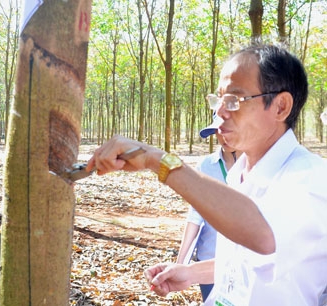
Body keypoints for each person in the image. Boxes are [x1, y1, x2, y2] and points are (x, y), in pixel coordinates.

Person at [86, 44, 327, 305]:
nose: (220, 112)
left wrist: (158, 161)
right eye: (218, 99)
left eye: (234, 100)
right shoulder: (239, 173)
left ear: (281, 106)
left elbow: (263, 237)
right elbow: (252, 259)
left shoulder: (311, 178)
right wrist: (191, 272)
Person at [176, 114, 241, 301]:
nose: (224, 137)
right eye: (218, 131)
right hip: (209, 259)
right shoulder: (207, 165)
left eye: (229, 130)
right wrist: (181, 263)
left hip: (244, 262)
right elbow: (195, 215)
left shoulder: (256, 166)